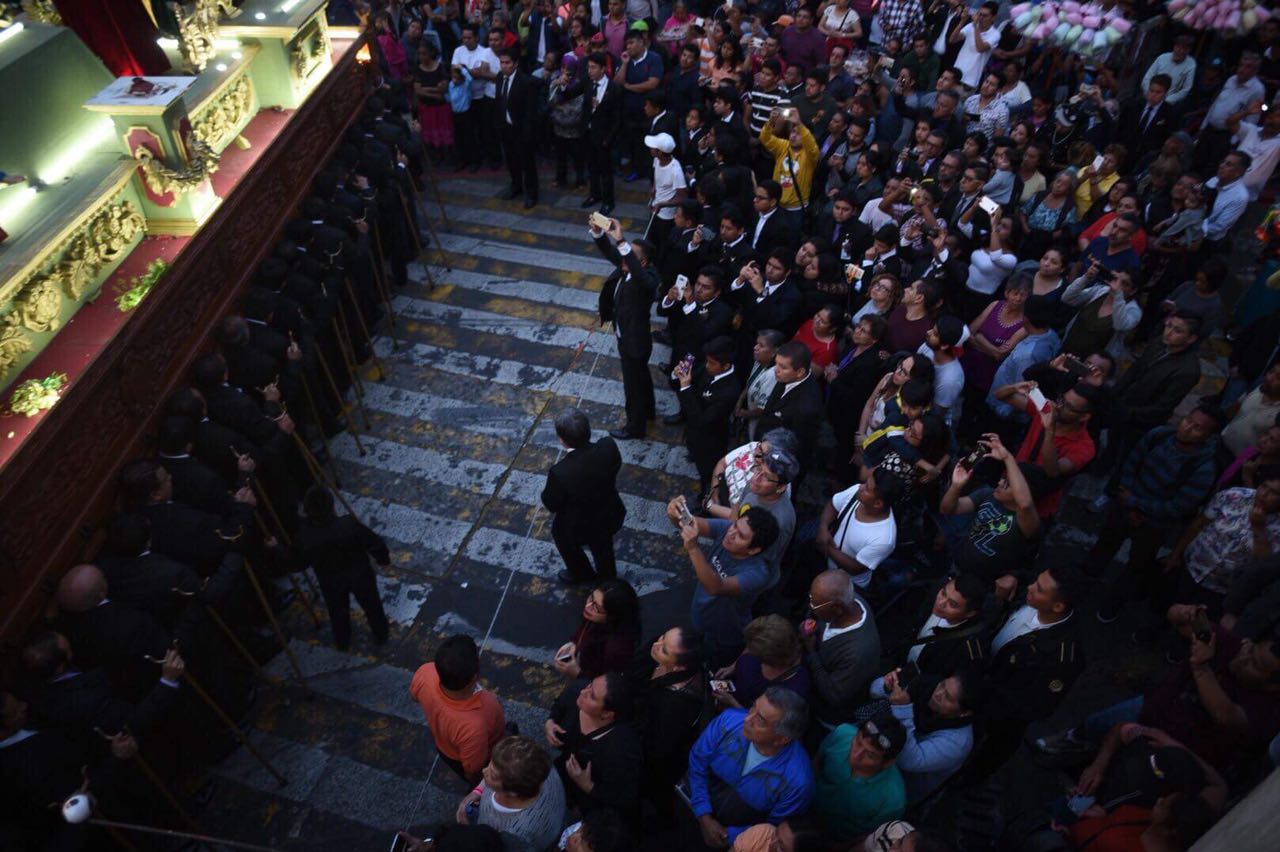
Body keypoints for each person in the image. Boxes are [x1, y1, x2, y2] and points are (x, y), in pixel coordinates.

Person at [685, 687, 815, 848]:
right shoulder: (728, 721)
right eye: (753, 707)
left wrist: (728, 835)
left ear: (782, 739)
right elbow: (698, 762)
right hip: (690, 810)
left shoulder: (798, 782)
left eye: (760, 720)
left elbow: (773, 829)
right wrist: (703, 815)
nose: (747, 719)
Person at [671, 504, 780, 666]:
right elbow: (691, 524)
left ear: (753, 550)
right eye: (735, 525)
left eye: (741, 536)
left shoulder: (757, 574)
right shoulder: (728, 529)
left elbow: (715, 587)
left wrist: (693, 549)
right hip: (700, 616)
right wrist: (676, 512)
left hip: (722, 635)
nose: (731, 533)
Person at [291, 486, 391, 651]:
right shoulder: (348, 524)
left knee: (338, 612)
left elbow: (297, 563)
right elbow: (374, 542)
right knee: (372, 606)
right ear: (332, 506)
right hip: (360, 575)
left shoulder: (305, 537)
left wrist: (276, 549)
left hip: (331, 582)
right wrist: (383, 559)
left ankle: (343, 640)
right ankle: (381, 634)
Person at [591, 216, 658, 439]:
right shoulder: (625, 267)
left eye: (630, 256)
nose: (623, 258)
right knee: (641, 378)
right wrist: (599, 233)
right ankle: (648, 412)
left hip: (635, 341)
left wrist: (621, 242)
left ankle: (635, 427)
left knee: (633, 387)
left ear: (644, 263)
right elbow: (612, 253)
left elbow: (637, 271)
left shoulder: (646, 280)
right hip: (626, 335)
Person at [542, 408, 627, 585]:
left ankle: (582, 574)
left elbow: (551, 503)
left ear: (562, 440)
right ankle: (608, 578)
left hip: (579, 525)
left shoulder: (560, 473)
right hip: (610, 512)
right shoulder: (608, 446)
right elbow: (616, 465)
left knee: (561, 535)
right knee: (604, 547)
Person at [941, 434, 1041, 584]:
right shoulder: (988, 494)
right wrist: (956, 487)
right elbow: (947, 509)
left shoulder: (1028, 522)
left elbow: (1025, 503)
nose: (1000, 482)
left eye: (1007, 483)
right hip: (956, 567)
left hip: (983, 584)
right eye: (1003, 477)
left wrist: (1008, 457)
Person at [869, 669, 979, 803]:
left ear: (964, 713)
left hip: (903, 786)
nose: (938, 694)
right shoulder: (925, 684)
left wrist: (902, 709)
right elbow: (874, 690)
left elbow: (909, 760)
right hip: (881, 750)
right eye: (942, 685)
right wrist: (886, 685)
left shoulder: (957, 743)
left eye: (948, 697)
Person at [545, 673, 643, 824]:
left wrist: (588, 786)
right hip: (561, 771)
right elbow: (559, 704)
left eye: (592, 696)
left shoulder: (622, 750)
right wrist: (550, 721)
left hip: (587, 802)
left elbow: (624, 797)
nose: (583, 691)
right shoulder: (578, 691)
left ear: (607, 714)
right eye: (590, 685)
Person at [410, 634, 507, 784]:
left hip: (444, 747)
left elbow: (414, 697)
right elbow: (473, 769)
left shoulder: (425, 673)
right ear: (473, 678)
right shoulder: (479, 718)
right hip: (474, 755)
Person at [453, 735, 568, 851]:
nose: (483, 771)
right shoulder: (539, 768)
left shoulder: (518, 834)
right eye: (490, 764)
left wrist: (469, 834)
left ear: (513, 793)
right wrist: (478, 791)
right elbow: (502, 770)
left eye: (492, 775)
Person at [802, 570, 882, 730]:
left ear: (837, 608)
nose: (811, 606)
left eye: (814, 604)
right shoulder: (851, 601)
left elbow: (834, 695)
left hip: (828, 716)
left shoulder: (857, 653)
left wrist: (811, 652)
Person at [812, 713, 908, 841]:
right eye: (857, 742)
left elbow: (869, 838)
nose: (856, 755)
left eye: (870, 755)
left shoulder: (893, 799)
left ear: (888, 762)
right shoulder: (842, 733)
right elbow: (817, 763)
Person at [815, 466, 901, 592]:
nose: (860, 487)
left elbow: (856, 568)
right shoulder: (857, 493)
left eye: (867, 489)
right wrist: (823, 527)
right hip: (824, 562)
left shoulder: (884, 539)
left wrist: (826, 547)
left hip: (844, 586)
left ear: (878, 503)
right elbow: (833, 505)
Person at [677, 336, 744, 495]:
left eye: (712, 363)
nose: (707, 366)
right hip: (693, 432)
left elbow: (703, 420)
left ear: (726, 365)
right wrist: (678, 375)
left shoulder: (730, 390)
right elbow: (690, 382)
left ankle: (706, 498)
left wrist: (685, 387)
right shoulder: (708, 368)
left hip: (710, 440)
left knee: (708, 474)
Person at [713, 615, 811, 711]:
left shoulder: (793, 692)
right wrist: (733, 666)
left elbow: (767, 724)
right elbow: (752, 644)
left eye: (754, 652)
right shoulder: (771, 642)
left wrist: (733, 704)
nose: (749, 650)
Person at [554, 578, 642, 681]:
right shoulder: (596, 617)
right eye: (591, 598)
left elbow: (606, 685)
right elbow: (585, 627)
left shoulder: (616, 651)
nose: (588, 606)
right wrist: (574, 642)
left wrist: (577, 674)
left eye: (598, 608)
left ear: (613, 615)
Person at [760, 341, 826, 473]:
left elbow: (797, 446)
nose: (776, 370)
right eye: (776, 363)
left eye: (783, 367)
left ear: (800, 372)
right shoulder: (787, 377)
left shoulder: (807, 407)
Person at [493, 48, 539, 208]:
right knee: (511, 160)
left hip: (521, 129)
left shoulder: (526, 82)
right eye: (502, 63)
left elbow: (530, 111)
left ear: (516, 63)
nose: (504, 66)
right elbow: (499, 102)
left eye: (507, 63)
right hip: (506, 127)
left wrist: (527, 132)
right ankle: (516, 186)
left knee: (527, 163)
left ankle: (532, 193)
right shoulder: (500, 78)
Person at [580, 51, 623, 214]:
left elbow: (617, 118)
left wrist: (608, 139)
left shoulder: (614, 89)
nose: (589, 70)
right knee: (592, 168)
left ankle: (608, 201)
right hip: (588, 134)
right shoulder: (587, 83)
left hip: (604, 137)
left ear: (603, 69)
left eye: (593, 67)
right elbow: (570, 93)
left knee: (605, 171)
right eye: (588, 67)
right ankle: (594, 194)